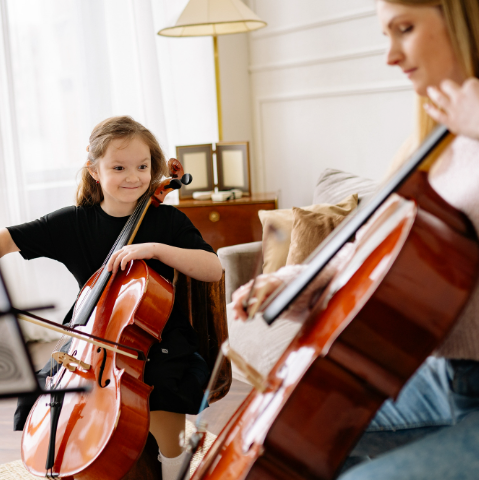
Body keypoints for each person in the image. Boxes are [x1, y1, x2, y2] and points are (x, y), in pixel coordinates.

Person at [232, 1, 479, 479]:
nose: (390, 56)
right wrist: (290, 283)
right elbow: (365, 251)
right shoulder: (431, 141)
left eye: (404, 29)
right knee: (274, 435)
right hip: (437, 377)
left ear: (462, 21)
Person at [0, 115, 223, 480]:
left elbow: (212, 268)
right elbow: (7, 240)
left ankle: (170, 465)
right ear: (94, 171)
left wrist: (155, 249)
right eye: (118, 167)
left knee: (162, 388)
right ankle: (76, 463)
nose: (133, 176)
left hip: (156, 340)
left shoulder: (167, 222)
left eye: (142, 166)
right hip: (88, 341)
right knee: (47, 393)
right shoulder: (73, 222)